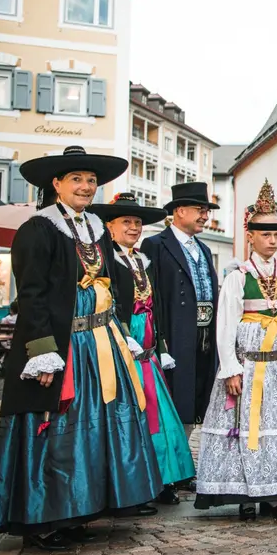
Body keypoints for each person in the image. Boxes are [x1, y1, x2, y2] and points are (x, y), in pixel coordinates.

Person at [0, 146, 162, 551]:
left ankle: (82, 508)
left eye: (91, 180)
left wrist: (117, 329)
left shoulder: (97, 228)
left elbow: (110, 287)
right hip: (63, 347)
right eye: (77, 180)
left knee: (98, 427)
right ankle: (47, 518)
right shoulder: (39, 229)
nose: (86, 186)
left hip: (99, 342)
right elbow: (32, 296)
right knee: (58, 429)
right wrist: (43, 352)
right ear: (57, 184)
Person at [194, 180, 277, 520]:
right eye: (265, 234)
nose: (272, 241)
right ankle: (245, 496)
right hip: (249, 368)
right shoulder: (239, 277)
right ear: (250, 235)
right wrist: (231, 369)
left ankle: (274, 494)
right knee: (247, 430)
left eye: (276, 235)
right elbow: (225, 325)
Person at [92, 192, 196, 505]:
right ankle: (137, 485)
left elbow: (157, 305)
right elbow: (109, 304)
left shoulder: (141, 259)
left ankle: (164, 478)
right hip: (123, 344)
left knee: (160, 411)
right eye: (127, 222)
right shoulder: (107, 261)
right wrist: (125, 336)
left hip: (148, 346)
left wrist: (161, 343)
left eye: (138, 222)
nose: (134, 227)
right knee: (137, 409)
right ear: (110, 226)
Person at [140, 182, 220, 450]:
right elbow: (150, 297)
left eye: (207, 210)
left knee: (196, 400)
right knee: (173, 400)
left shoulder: (205, 249)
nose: (205, 216)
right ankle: (166, 466)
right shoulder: (154, 245)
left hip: (204, 336)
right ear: (179, 210)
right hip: (174, 336)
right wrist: (159, 340)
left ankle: (182, 462)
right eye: (200, 209)